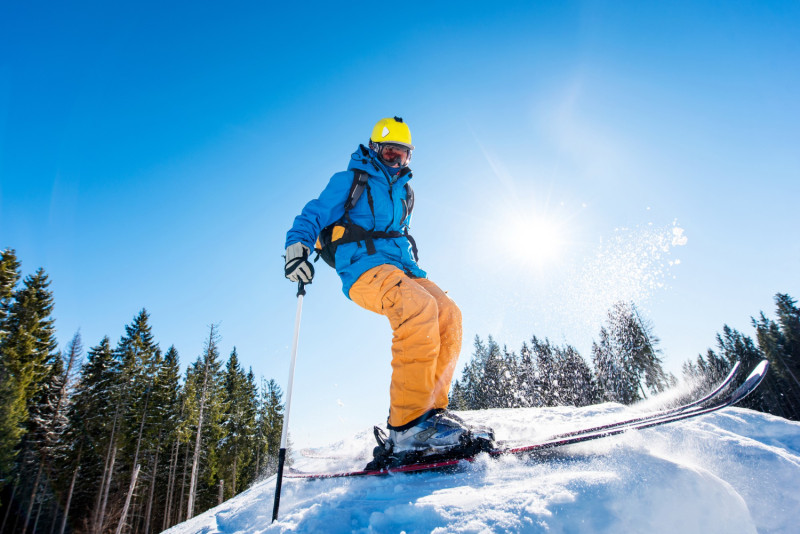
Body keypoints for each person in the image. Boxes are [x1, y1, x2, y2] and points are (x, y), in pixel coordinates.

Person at [284, 117, 489, 459]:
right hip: (363, 269)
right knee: (417, 308)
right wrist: (296, 250)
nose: (396, 162)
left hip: (403, 269)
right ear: (376, 150)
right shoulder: (351, 180)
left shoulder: (405, 192)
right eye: (390, 154)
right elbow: (312, 215)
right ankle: (408, 427)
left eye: (403, 156)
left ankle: (430, 415)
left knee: (449, 314)